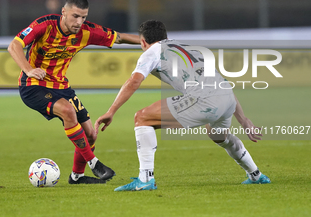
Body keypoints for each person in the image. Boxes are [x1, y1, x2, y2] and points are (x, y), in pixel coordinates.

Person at [95, 20, 271, 191]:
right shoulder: (188, 48)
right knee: (217, 135)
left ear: (143, 41)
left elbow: (134, 82)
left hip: (204, 99)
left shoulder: (150, 53)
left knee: (142, 118)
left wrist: (111, 111)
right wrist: (244, 120)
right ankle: (256, 175)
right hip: (226, 98)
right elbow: (222, 83)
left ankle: (145, 179)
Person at [8, 0, 140, 185]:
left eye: (83, 17)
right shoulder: (44, 25)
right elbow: (14, 46)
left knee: (90, 135)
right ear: (64, 12)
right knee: (67, 111)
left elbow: (119, 37)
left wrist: (149, 43)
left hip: (62, 87)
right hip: (33, 86)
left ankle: (76, 176)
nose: (79, 22)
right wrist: (29, 70)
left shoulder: (86, 32)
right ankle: (94, 163)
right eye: (75, 16)